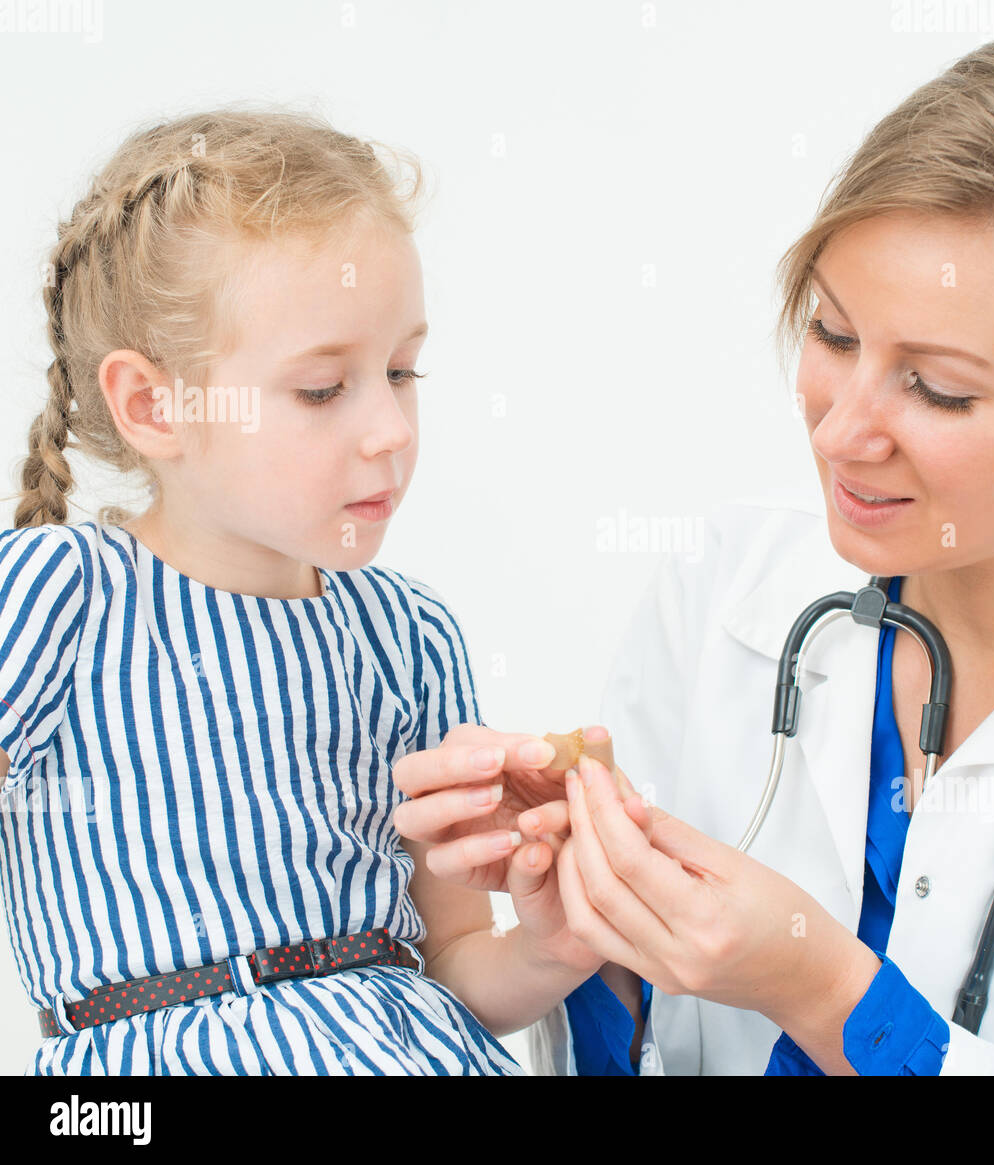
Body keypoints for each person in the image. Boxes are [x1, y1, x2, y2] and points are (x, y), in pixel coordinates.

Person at [393, 30, 994, 1075]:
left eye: (939, 389)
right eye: (831, 336)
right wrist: (586, 923)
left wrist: (825, 990)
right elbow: (620, 1047)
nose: (839, 432)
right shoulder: (724, 583)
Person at [0, 108, 572, 1075]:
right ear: (155, 406)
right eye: (321, 390)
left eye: (402, 370)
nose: (390, 428)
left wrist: (556, 943)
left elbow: (456, 963)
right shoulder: (62, 595)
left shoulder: (409, 634)